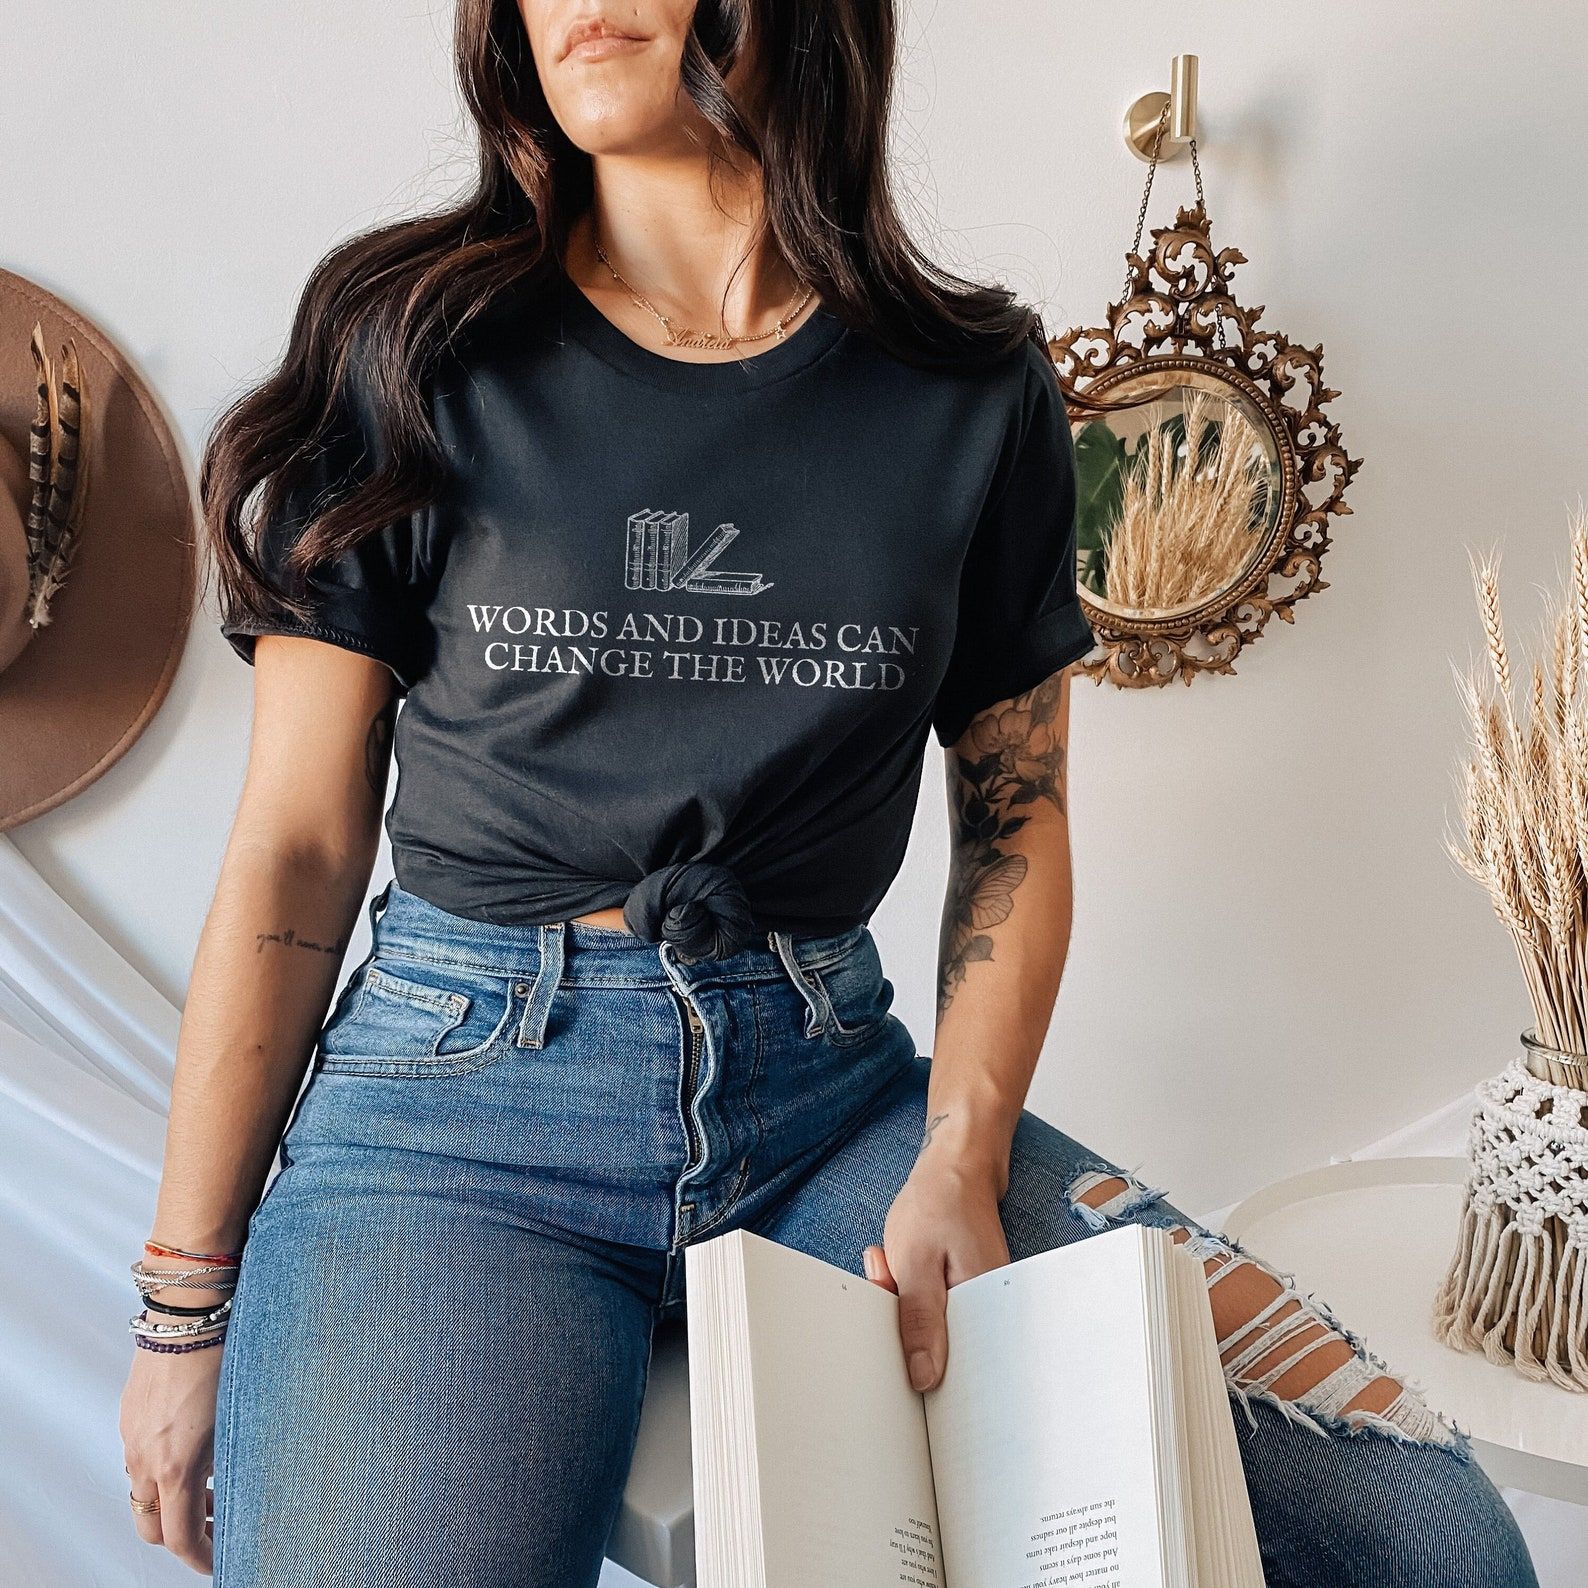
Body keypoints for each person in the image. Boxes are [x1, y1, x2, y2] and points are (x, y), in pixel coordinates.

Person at [117, 3, 1537, 1585]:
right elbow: (298, 851)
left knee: (1433, 1541)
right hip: (459, 1113)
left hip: (826, 1098)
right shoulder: (411, 339)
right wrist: (185, 1307)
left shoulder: (968, 383)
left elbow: (1015, 816)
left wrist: (957, 1154)